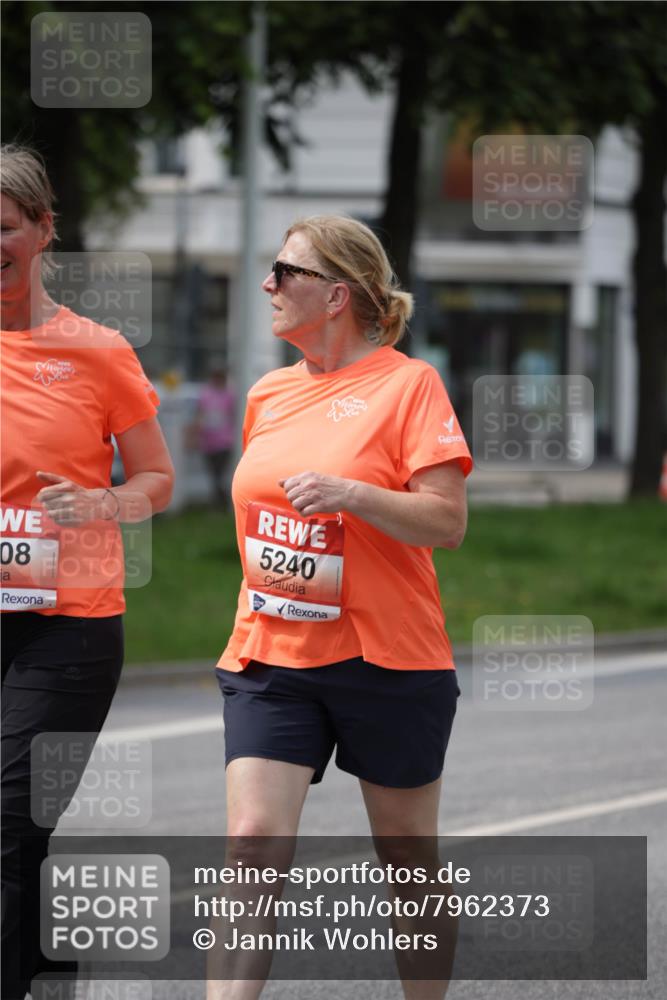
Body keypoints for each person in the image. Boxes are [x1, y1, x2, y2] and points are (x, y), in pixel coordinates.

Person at [211, 216, 472, 999]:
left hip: (387, 658)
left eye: (284, 271)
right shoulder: (268, 394)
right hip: (271, 653)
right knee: (252, 841)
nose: (269, 285)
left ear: (337, 295)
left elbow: (446, 522)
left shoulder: (408, 385)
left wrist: (352, 496)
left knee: (404, 855)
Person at [0, 144, 175, 999]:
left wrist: (107, 504)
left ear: (41, 230)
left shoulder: (97, 352)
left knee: (2, 819)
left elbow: (157, 479)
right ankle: (48, 970)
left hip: (65, 627)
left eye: (2, 227)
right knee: (19, 834)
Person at [193, 363, 237, 506]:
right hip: (209, 440)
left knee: (220, 474)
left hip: (225, 440)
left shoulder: (229, 394)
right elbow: (200, 414)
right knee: (213, 474)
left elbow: (233, 415)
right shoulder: (206, 394)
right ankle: (219, 501)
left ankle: (221, 501)